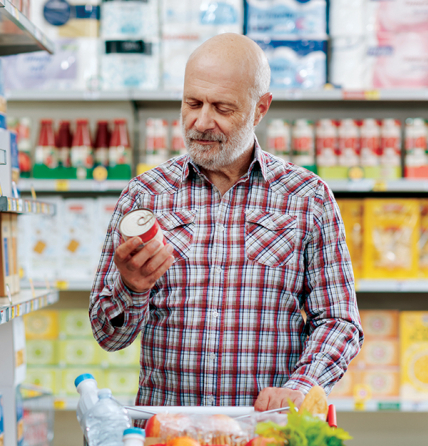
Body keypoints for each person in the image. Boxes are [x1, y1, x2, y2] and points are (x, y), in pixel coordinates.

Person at [89, 34, 363, 411]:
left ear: (260, 109)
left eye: (222, 107)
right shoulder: (144, 196)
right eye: (192, 103)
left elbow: (339, 320)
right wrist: (131, 289)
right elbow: (108, 337)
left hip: (264, 437)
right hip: (168, 438)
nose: (202, 121)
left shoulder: (308, 197)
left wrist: (302, 385)